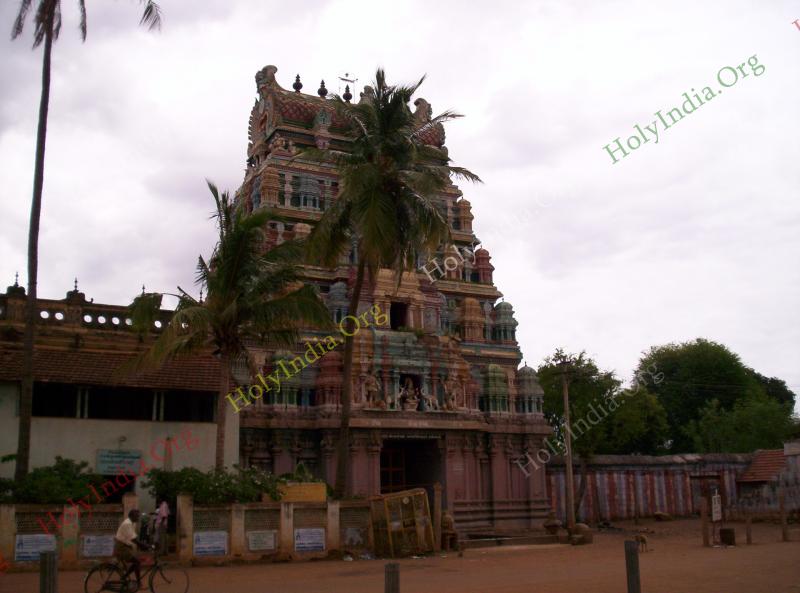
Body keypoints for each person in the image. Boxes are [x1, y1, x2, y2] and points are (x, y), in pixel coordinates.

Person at [115, 509, 145, 586]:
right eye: (137, 516)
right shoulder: (127, 523)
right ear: (132, 516)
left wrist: (142, 545)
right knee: (137, 562)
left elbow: (133, 537)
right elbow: (134, 539)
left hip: (125, 546)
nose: (138, 518)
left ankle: (126, 578)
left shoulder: (131, 523)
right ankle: (137, 582)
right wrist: (144, 546)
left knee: (136, 562)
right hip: (121, 547)